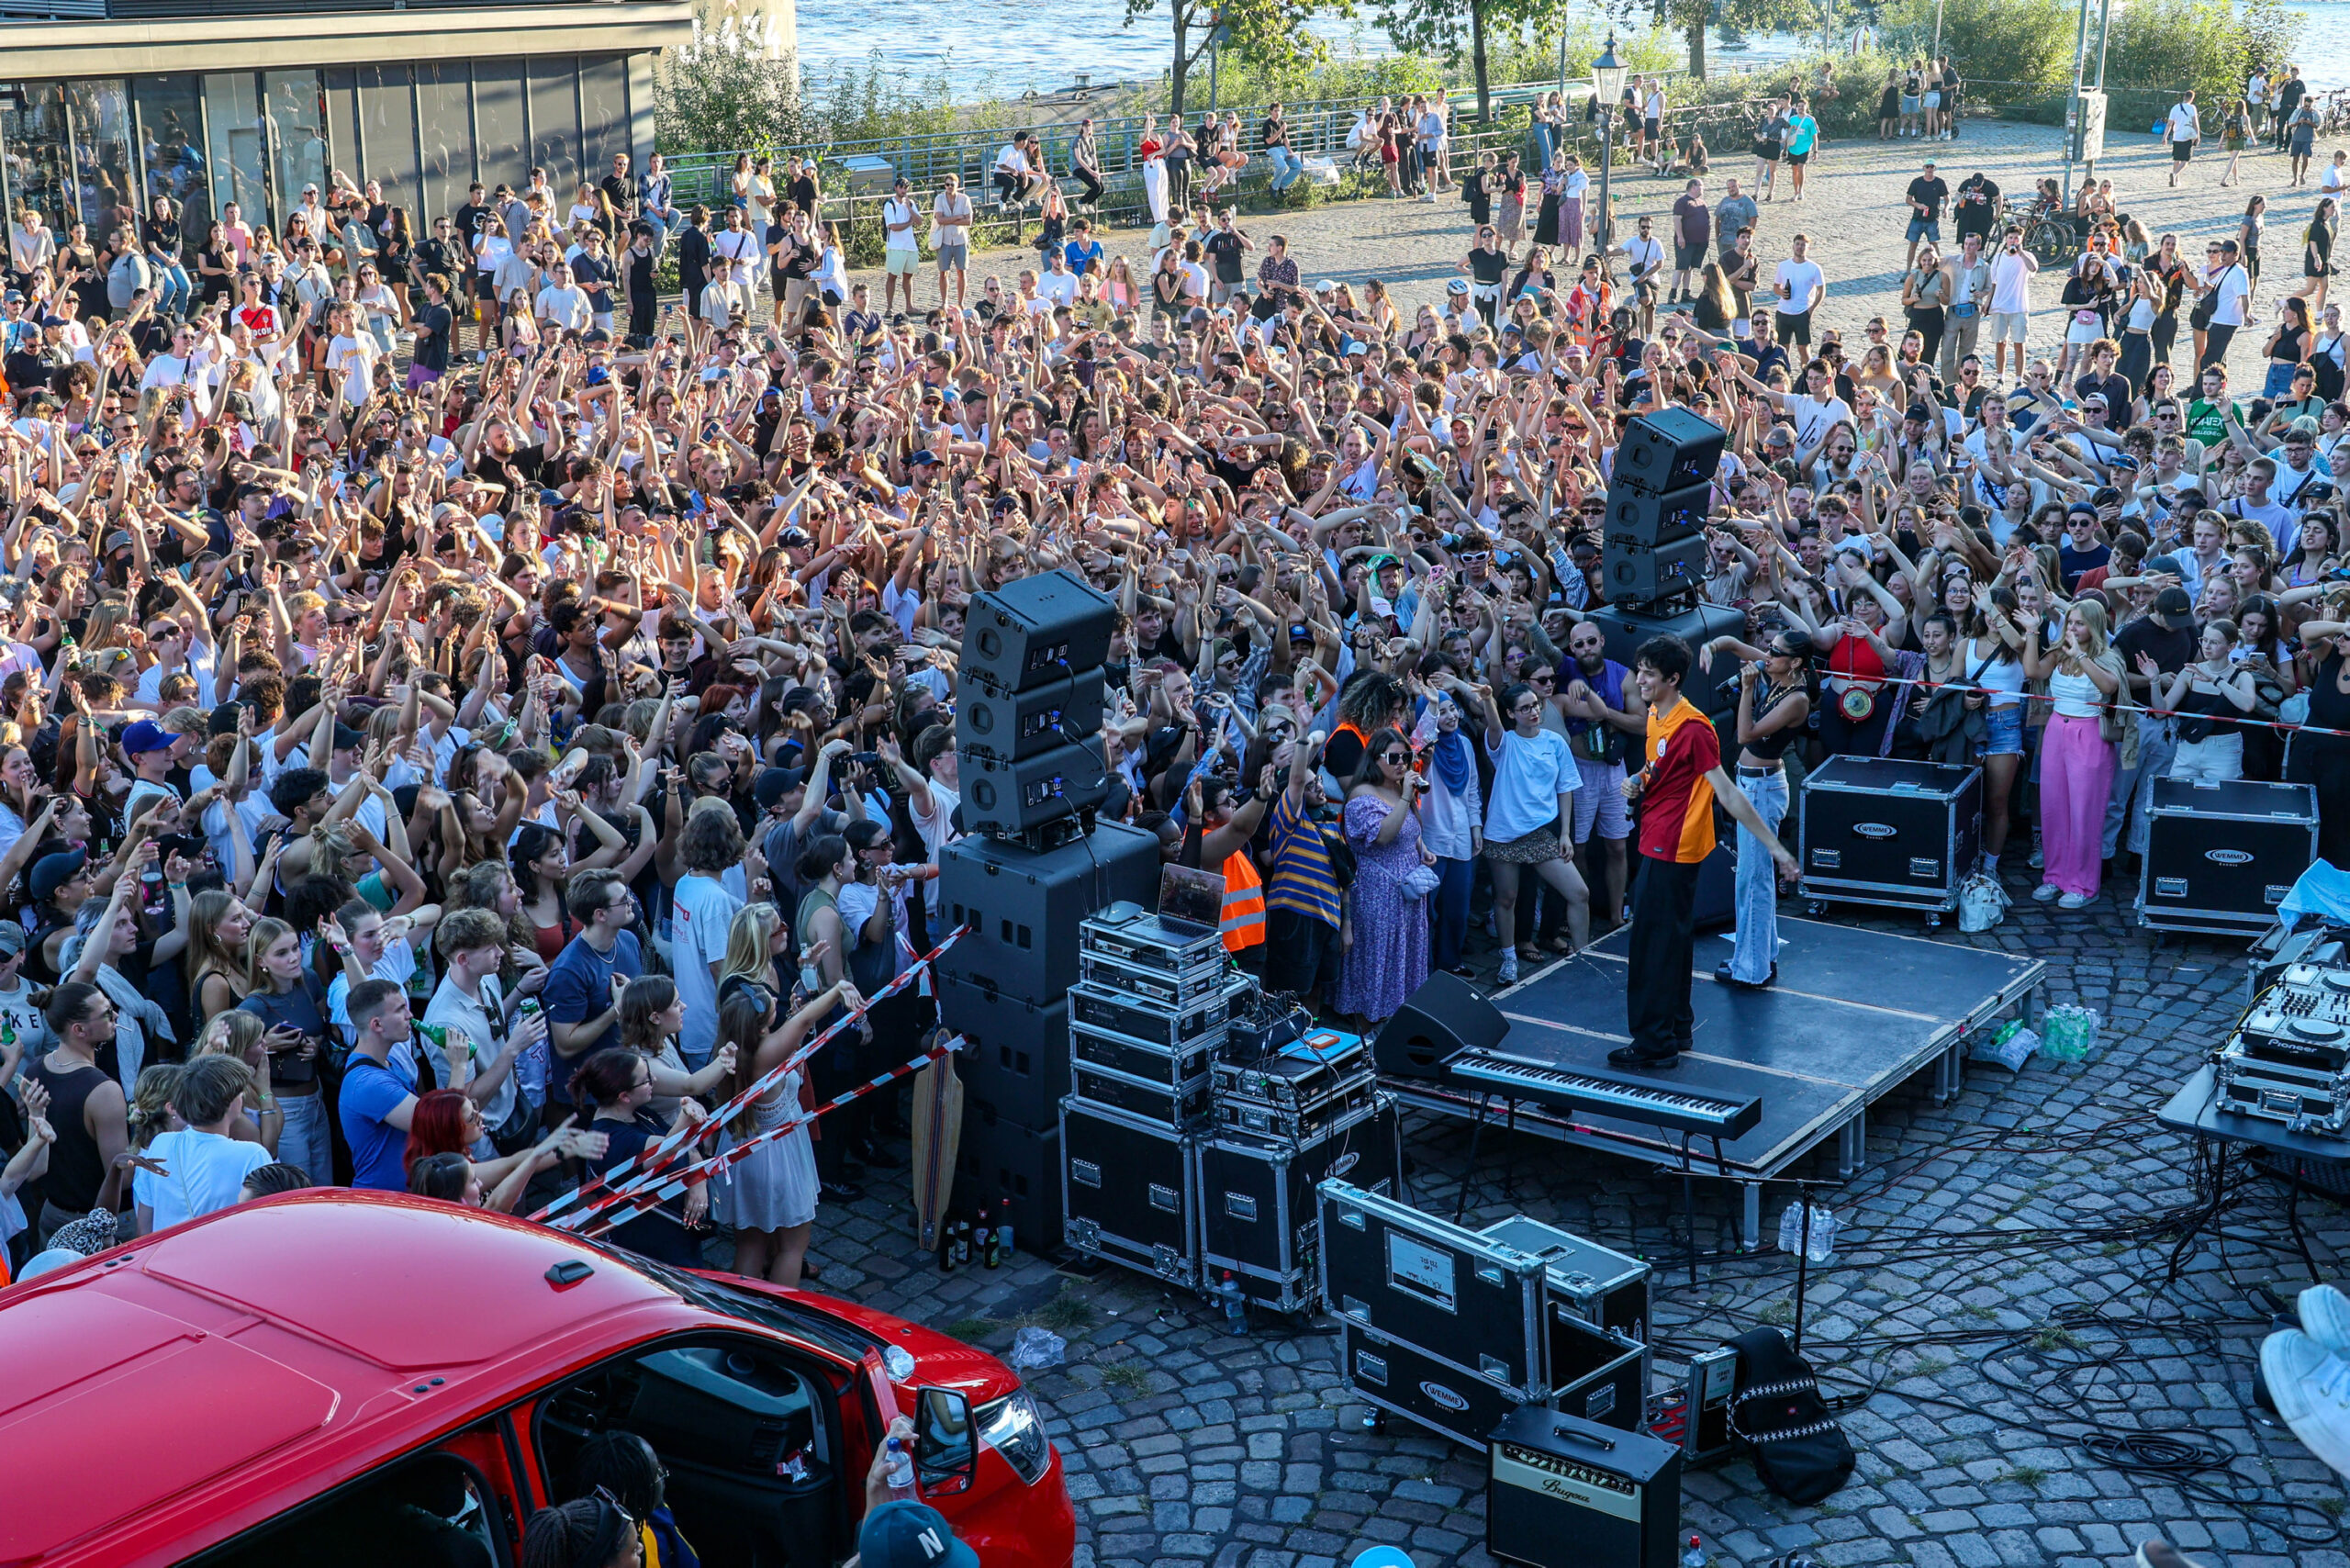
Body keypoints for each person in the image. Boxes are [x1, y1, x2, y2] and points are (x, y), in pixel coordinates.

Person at [1613, 637, 1797, 1069]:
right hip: (1663, 839)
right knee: (1671, 941)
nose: (1639, 679)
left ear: (1672, 679)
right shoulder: (1659, 713)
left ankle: (1653, 1045)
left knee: (1651, 948)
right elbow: (1660, 767)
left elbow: (1727, 793)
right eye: (1639, 670)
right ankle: (1675, 1028)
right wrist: (1639, 780)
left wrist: (1775, 848)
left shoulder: (1694, 728)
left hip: (1672, 846)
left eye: (1648, 674)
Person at [1696, 630, 1813, 988]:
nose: (1767, 655)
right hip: (1753, 782)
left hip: (1762, 787)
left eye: (1776, 653)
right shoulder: (1777, 670)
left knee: (1753, 881)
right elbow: (1732, 644)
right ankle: (1761, 956)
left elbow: (1747, 734)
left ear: (1795, 662)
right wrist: (1711, 646)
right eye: (1769, 649)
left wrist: (1747, 689)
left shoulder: (1796, 698)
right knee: (1754, 876)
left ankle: (1752, 969)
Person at [1481, 679, 1590, 987]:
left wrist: (1565, 834)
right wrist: (1488, 699)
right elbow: (1492, 721)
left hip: (1540, 834)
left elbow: (1565, 788)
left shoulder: (1555, 742)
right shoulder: (1503, 742)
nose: (1533, 712)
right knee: (1506, 898)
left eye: (1535, 705)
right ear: (1511, 714)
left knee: (1579, 893)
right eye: (1525, 708)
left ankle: (1584, 957)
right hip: (1503, 834)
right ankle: (1509, 960)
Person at [2167, 90, 2202, 187]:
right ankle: (2175, 175)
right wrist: (2198, 136)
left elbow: (2170, 123)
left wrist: (2165, 137)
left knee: (2177, 159)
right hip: (2187, 136)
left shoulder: (2175, 108)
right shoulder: (2192, 108)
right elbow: (2195, 123)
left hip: (2176, 136)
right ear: (2192, 98)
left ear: (2184, 96)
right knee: (2186, 160)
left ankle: (2176, 180)